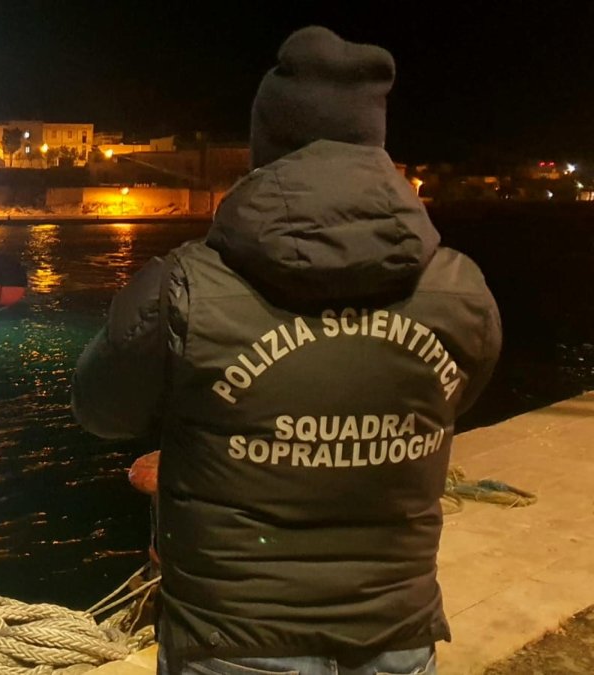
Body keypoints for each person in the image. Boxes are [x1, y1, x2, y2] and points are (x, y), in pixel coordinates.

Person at [71, 26, 501, 675]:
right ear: (375, 142)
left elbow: (101, 408)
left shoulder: (181, 289)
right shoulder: (460, 290)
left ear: (263, 144)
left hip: (232, 641)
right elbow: (450, 399)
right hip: (395, 633)